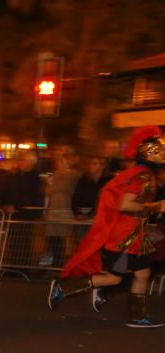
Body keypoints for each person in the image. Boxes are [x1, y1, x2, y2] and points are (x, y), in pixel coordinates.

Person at [48, 126, 165, 327]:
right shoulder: (141, 176)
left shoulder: (142, 173)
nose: (164, 154)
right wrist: (157, 206)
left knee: (140, 274)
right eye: (161, 150)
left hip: (133, 237)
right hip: (126, 239)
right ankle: (64, 287)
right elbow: (125, 205)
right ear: (148, 152)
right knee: (114, 278)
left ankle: (137, 316)